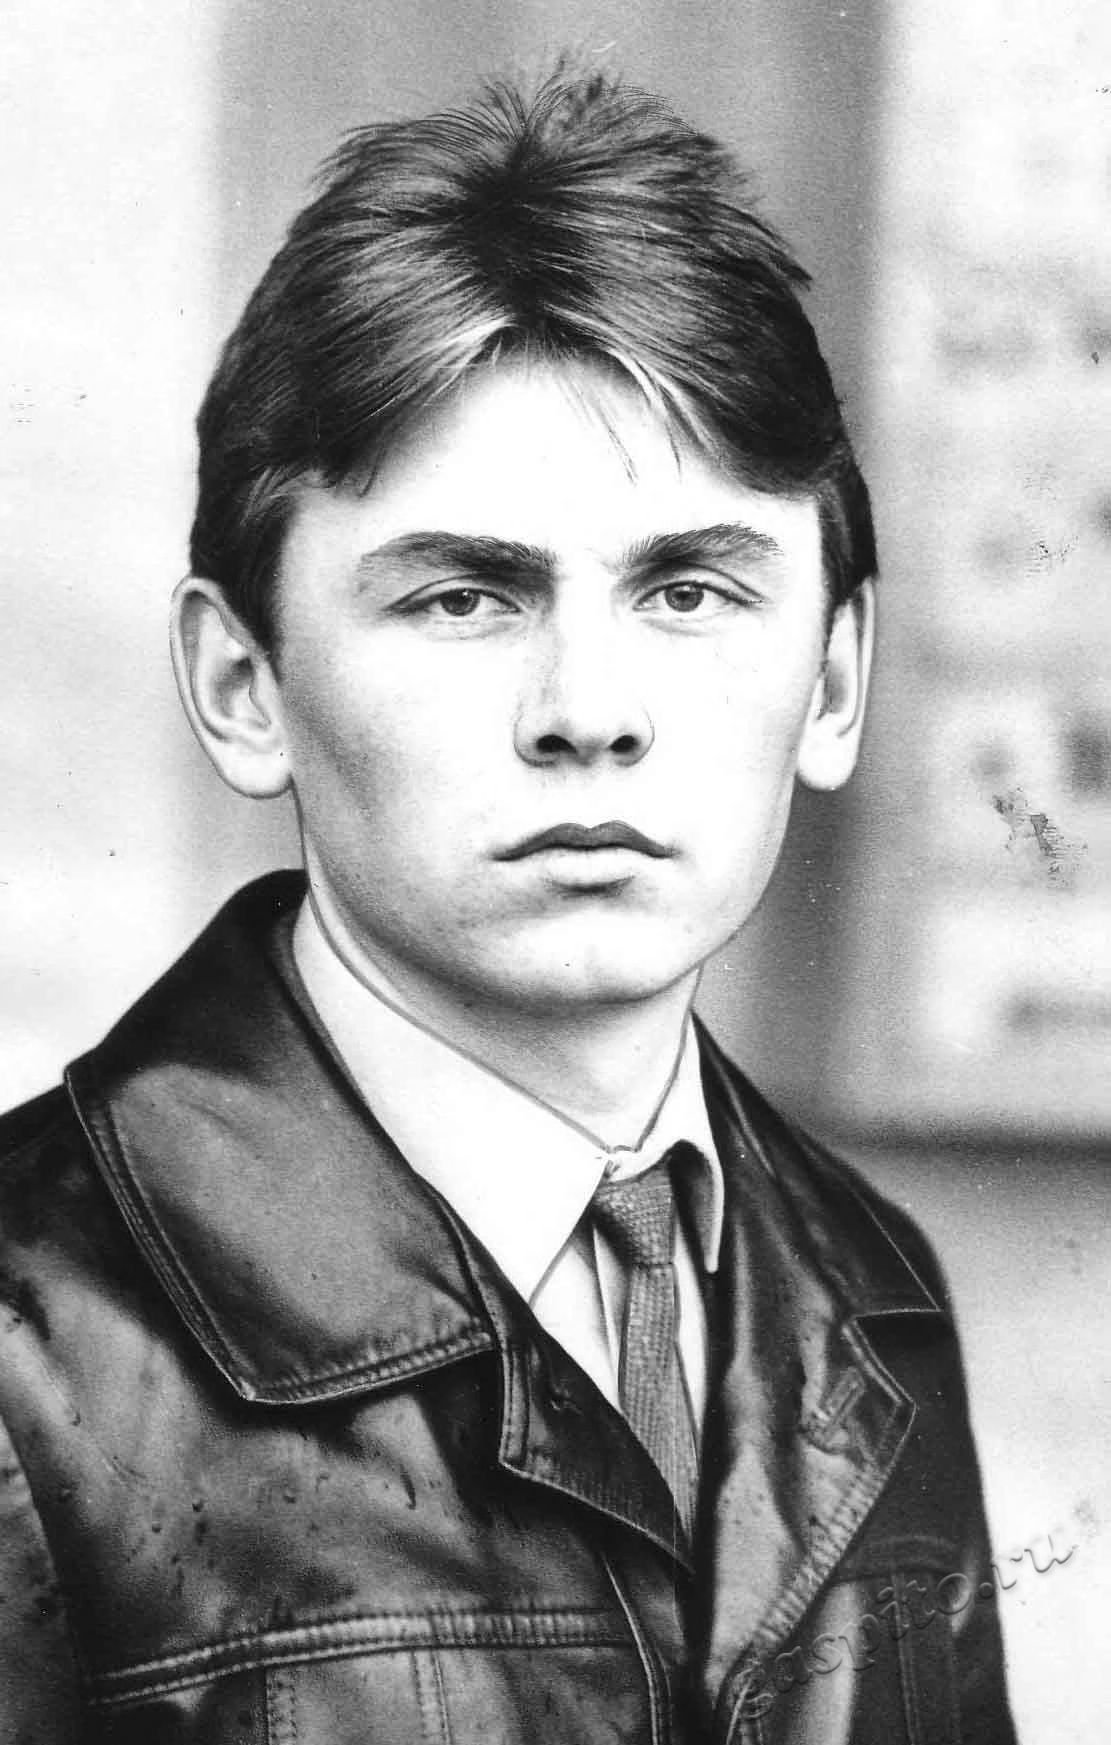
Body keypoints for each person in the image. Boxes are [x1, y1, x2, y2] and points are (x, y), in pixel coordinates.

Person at [0, 68, 1014, 1743]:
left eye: (691, 588)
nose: (588, 711)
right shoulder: (30, 1347)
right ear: (243, 685)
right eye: (466, 596)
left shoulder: (873, 1283)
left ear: (835, 680)